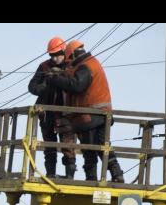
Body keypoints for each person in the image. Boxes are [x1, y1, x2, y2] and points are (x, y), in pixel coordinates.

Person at [49, 40, 125, 183]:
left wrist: (57, 79)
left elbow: (76, 86)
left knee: (89, 148)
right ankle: (117, 175)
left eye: (69, 59)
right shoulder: (92, 63)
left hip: (90, 115)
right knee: (103, 146)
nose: (69, 63)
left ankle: (91, 179)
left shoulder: (85, 66)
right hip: (101, 114)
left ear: (72, 55)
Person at [28, 37, 77, 179]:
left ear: (64, 52)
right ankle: (50, 175)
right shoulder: (44, 67)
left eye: (58, 55)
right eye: (52, 55)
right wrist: (40, 88)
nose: (55, 58)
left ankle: (69, 177)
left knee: (68, 147)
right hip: (47, 115)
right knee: (49, 147)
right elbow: (32, 85)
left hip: (66, 115)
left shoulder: (72, 66)